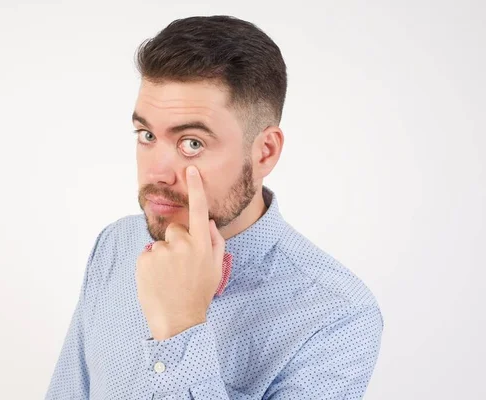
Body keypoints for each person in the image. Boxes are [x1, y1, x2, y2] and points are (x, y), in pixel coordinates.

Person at [45, 15, 383, 400]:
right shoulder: (116, 244)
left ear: (265, 152)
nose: (156, 171)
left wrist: (181, 328)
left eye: (192, 143)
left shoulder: (337, 315)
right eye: (146, 135)